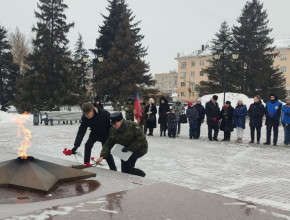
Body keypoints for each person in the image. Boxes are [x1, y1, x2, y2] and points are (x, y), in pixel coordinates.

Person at [96, 112, 147, 177]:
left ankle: (140, 174)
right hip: (124, 150)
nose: (113, 126)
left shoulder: (133, 126)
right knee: (125, 168)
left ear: (121, 121)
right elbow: (109, 143)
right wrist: (102, 156)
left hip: (139, 149)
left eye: (115, 124)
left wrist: (130, 148)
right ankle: (128, 176)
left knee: (127, 166)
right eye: (112, 124)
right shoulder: (113, 130)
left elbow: (141, 139)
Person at [72, 102, 117, 170]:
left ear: (92, 111)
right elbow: (81, 131)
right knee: (87, 145)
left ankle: (113, 169)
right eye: (85, 114)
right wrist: (76, 146)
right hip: (94, 133)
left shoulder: (104, 114)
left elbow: (113, 125)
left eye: (87, 113)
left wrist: (113, 137)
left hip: (105, 134)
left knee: (106, 151)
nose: (86, 115)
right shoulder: (85, 118)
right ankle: (86, 165)